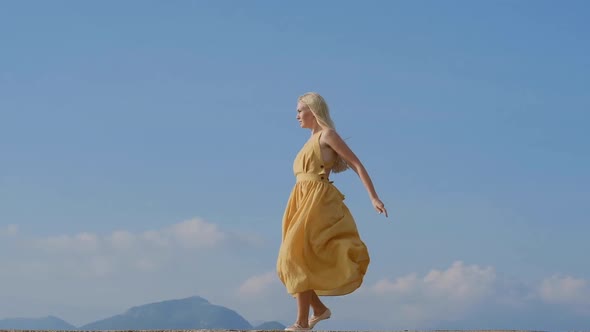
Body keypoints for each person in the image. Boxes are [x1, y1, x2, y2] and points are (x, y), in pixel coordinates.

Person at [276, 92, 388, 331]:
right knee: (291, 260)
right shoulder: (308, 140)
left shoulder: (327, 135)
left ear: (313, 111)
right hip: (299, 199)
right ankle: (319, 310)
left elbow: (356, 164)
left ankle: (302, 322)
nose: (296, 115)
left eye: (299, 110)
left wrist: (373, 197)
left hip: (318, 201)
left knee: (293, 256)